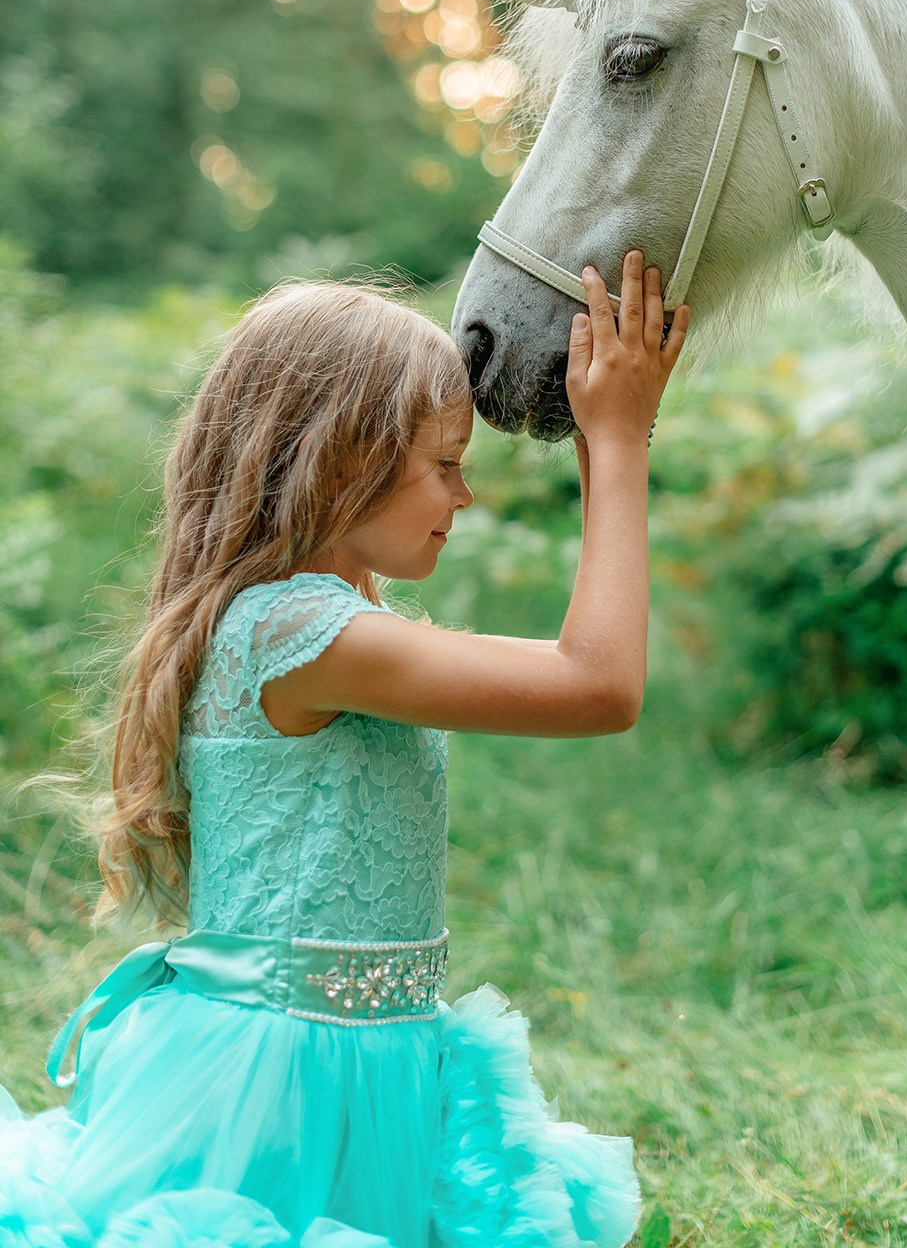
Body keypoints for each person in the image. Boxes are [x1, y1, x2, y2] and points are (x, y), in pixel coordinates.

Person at [0, 251, 688, 1248]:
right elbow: (599, 684)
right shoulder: (299, 635)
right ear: (343, 462)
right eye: (445, 465)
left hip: (368, 1064)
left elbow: (583, 667)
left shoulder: (327, 623)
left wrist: (602, 437)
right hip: (278, 1094)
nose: (463, 497)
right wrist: (619, 441)